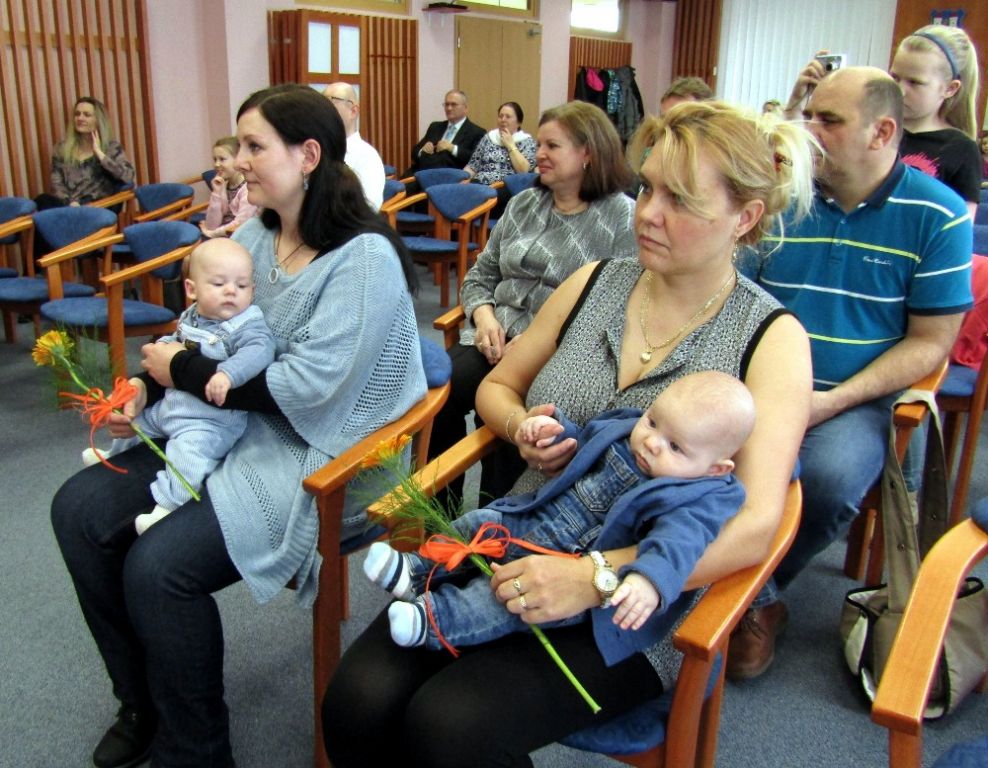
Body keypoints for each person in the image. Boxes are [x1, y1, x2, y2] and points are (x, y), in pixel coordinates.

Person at [323, 100, 817, 768]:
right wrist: (520, 425)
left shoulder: (771, 338)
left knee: (450, 726)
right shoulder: (596, 282)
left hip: (640, 603)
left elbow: (757, 524)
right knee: (355, 702)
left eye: (679, 199)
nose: (648, 213)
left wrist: (598, 577)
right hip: (523, 535)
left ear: (745, 217)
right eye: (648, 188)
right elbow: (498, 386)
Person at [50, 83, 426, 768]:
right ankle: (142, 703)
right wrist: (145, 383)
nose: (238, 160)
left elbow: (309, 391)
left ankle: (195, 751)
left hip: (320, 450)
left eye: (255, 146)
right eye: (240, 144)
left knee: (158, 569)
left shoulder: (364, 259)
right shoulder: (255, 234)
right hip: (227, 425)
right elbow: (197, 329)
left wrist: (180, 372)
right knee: (77, 510)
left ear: (308, 155)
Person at [730, 67, 973, 681]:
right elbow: (738, 301)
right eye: (810, 115)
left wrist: (828, 402)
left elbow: (931, 344)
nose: (809, 130)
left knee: (829, 478)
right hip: (763, 379)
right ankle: (733, 589)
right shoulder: (784, 201)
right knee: (685, 444)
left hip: (858, 396)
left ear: (882, 132)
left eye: (829, 120)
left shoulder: (938, 213)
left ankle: (754, 595)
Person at [365, 371, 754, 651]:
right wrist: (552, 431)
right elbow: (584, 443)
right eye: (653, 421)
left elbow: (680, 544)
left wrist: (649, 580)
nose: (652, 442)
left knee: (502, 601)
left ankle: (433, 620)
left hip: (566, 563)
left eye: (676, 447)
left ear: (716, 468)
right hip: (535, 517)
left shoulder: (694, 497)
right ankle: (415, 570)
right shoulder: (628, 427)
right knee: (477, 523)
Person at [430, 100, 637, 504]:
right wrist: (484, 317)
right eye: (539, 144)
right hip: (493, 337)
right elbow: (480, 275)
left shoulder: (621, 218)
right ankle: (438, 513)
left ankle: (494, 521)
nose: (537, 154)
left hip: (557, 352)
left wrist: (540, 342)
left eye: (552, 146)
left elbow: (618, 308)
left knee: (517, 418)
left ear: (588, 153)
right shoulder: (523, 204)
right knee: (440, 391)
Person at [82, 238, 276, 535]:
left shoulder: (247, 324)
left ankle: (167, 506)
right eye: (219, 284)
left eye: (242, 286)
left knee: (188, 457)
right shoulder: (192, 316)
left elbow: (260, 351)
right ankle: (114, 453)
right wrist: (161, 350)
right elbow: (176, 340)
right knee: (136, 420)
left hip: (209, 421)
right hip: (171, 405)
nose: (231, 291)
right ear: (191, 289)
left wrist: (228, 374)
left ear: (253, 290)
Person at [785, 26, 981, 217]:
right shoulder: (865, 129)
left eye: (915, 82)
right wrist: (799, 103)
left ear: (950, 88)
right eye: (894, 77)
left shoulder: (961, 149)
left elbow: (959, 221)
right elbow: (793, 163)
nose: (900, 90)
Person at [37, 96, 135, 209]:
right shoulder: (61, 149)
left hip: (98, 207)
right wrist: (70, 203)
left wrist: (100, 155)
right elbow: (57, 185)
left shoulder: (111, 147)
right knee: (42, 200)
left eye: (87, 115)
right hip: (69, 206)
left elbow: (128, 176)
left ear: (98, 120)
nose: (80, 118)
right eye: (77, 114)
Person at [323, 82, 386, 210]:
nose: (323, 111)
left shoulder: (367, 156)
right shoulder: (317, 151)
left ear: (353, 111)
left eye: (331, 102)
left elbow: (369, 207)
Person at [404, 89, 485, 175]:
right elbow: (415, 152)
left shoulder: (477, 132)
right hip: (421, 172)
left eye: (453, 104)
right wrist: (422, 150)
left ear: (465, 108)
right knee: (400, 181)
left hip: (450, 176)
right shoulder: (435, 127)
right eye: (446, 104)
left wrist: (452, 148)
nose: (449, 108)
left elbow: (476, 160)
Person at [463, 101, 537, 186]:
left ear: (519, 122)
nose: (503, 120)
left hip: (506, 186)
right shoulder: (489, 137)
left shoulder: (527, 141)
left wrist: (510, 145)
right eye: (501, 116)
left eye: (508, 117)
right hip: (479, 183)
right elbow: (472, 167)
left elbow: (524, 171)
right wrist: (463, 179)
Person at [199, 135, 259, 238]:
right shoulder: (224, 185)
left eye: (222, 159)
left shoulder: (249, 189)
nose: (217, 164)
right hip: (224, 235)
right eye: (215, 159)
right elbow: (211, 225)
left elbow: (240, 225)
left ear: (238, 160)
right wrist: (216, 193)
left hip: (242, 238)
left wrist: (212, 234)